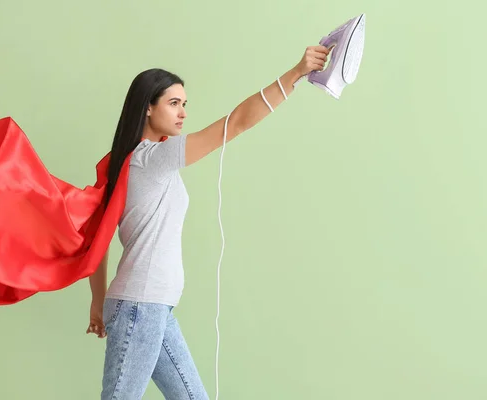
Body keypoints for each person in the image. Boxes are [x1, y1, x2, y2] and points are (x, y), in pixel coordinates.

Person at [85, 44, 331, 399]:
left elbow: (99, 234)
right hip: (140, 306)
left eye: (184, 104)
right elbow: (237, 122)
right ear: (147, 108)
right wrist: (294, 74)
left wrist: (99, 301)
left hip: (152, 307)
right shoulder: (153, 158)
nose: (183, 112)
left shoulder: (128, 163)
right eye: (173, 103)